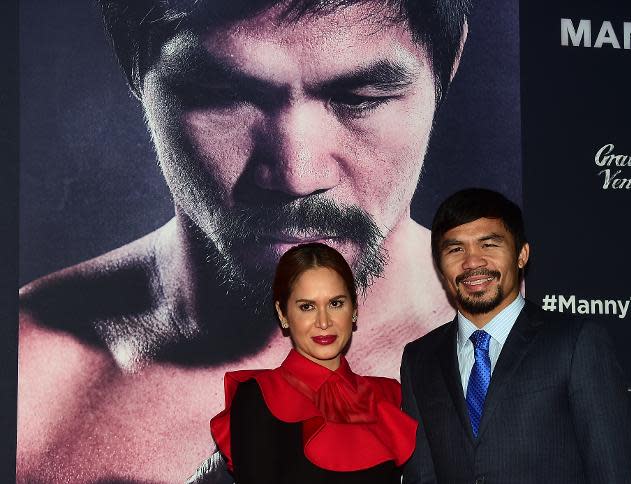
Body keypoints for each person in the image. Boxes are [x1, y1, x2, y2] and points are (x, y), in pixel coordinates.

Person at [17, 1, 472, 481]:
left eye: (359, 97)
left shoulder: (537, 367)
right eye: (224, 94)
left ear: (448, 66)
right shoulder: (28, 380)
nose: (297, 175)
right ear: (134, 68)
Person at [400, 188, 631, 484]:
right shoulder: (419, 359)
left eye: (489, 244)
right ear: (440, 264)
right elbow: (423, 476)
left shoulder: (575, 342)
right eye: (455, 249)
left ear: (521, 254)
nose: (473, 262)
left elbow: (613, 473)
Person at [209, 243, 416, 483]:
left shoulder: (388, 395)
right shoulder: (259, 396)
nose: (324, 321)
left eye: (335, 303)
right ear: (283, 314)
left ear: (355, 309)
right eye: (307, 307)